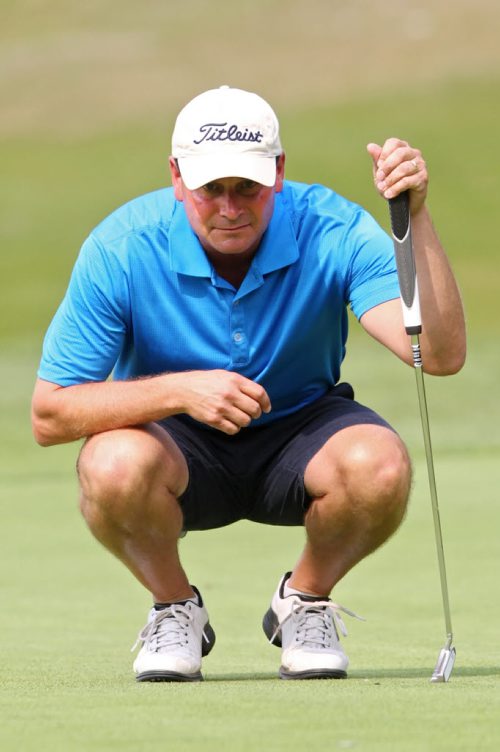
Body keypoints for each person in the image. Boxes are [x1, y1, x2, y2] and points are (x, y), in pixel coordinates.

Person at [31, 85, 466, 683]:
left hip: (301, 428)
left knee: (380, 466)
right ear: (178, 177)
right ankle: (174, 606)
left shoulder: (330, 227)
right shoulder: (122, 246)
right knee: (112, 464)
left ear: (279, 172)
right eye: (212, 189)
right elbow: (50, 414)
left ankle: (305, 601)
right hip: (173, 443)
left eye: (248, 188)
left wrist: (414, 216)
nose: (230, 207)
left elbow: (437, 355)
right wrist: (181, 391)